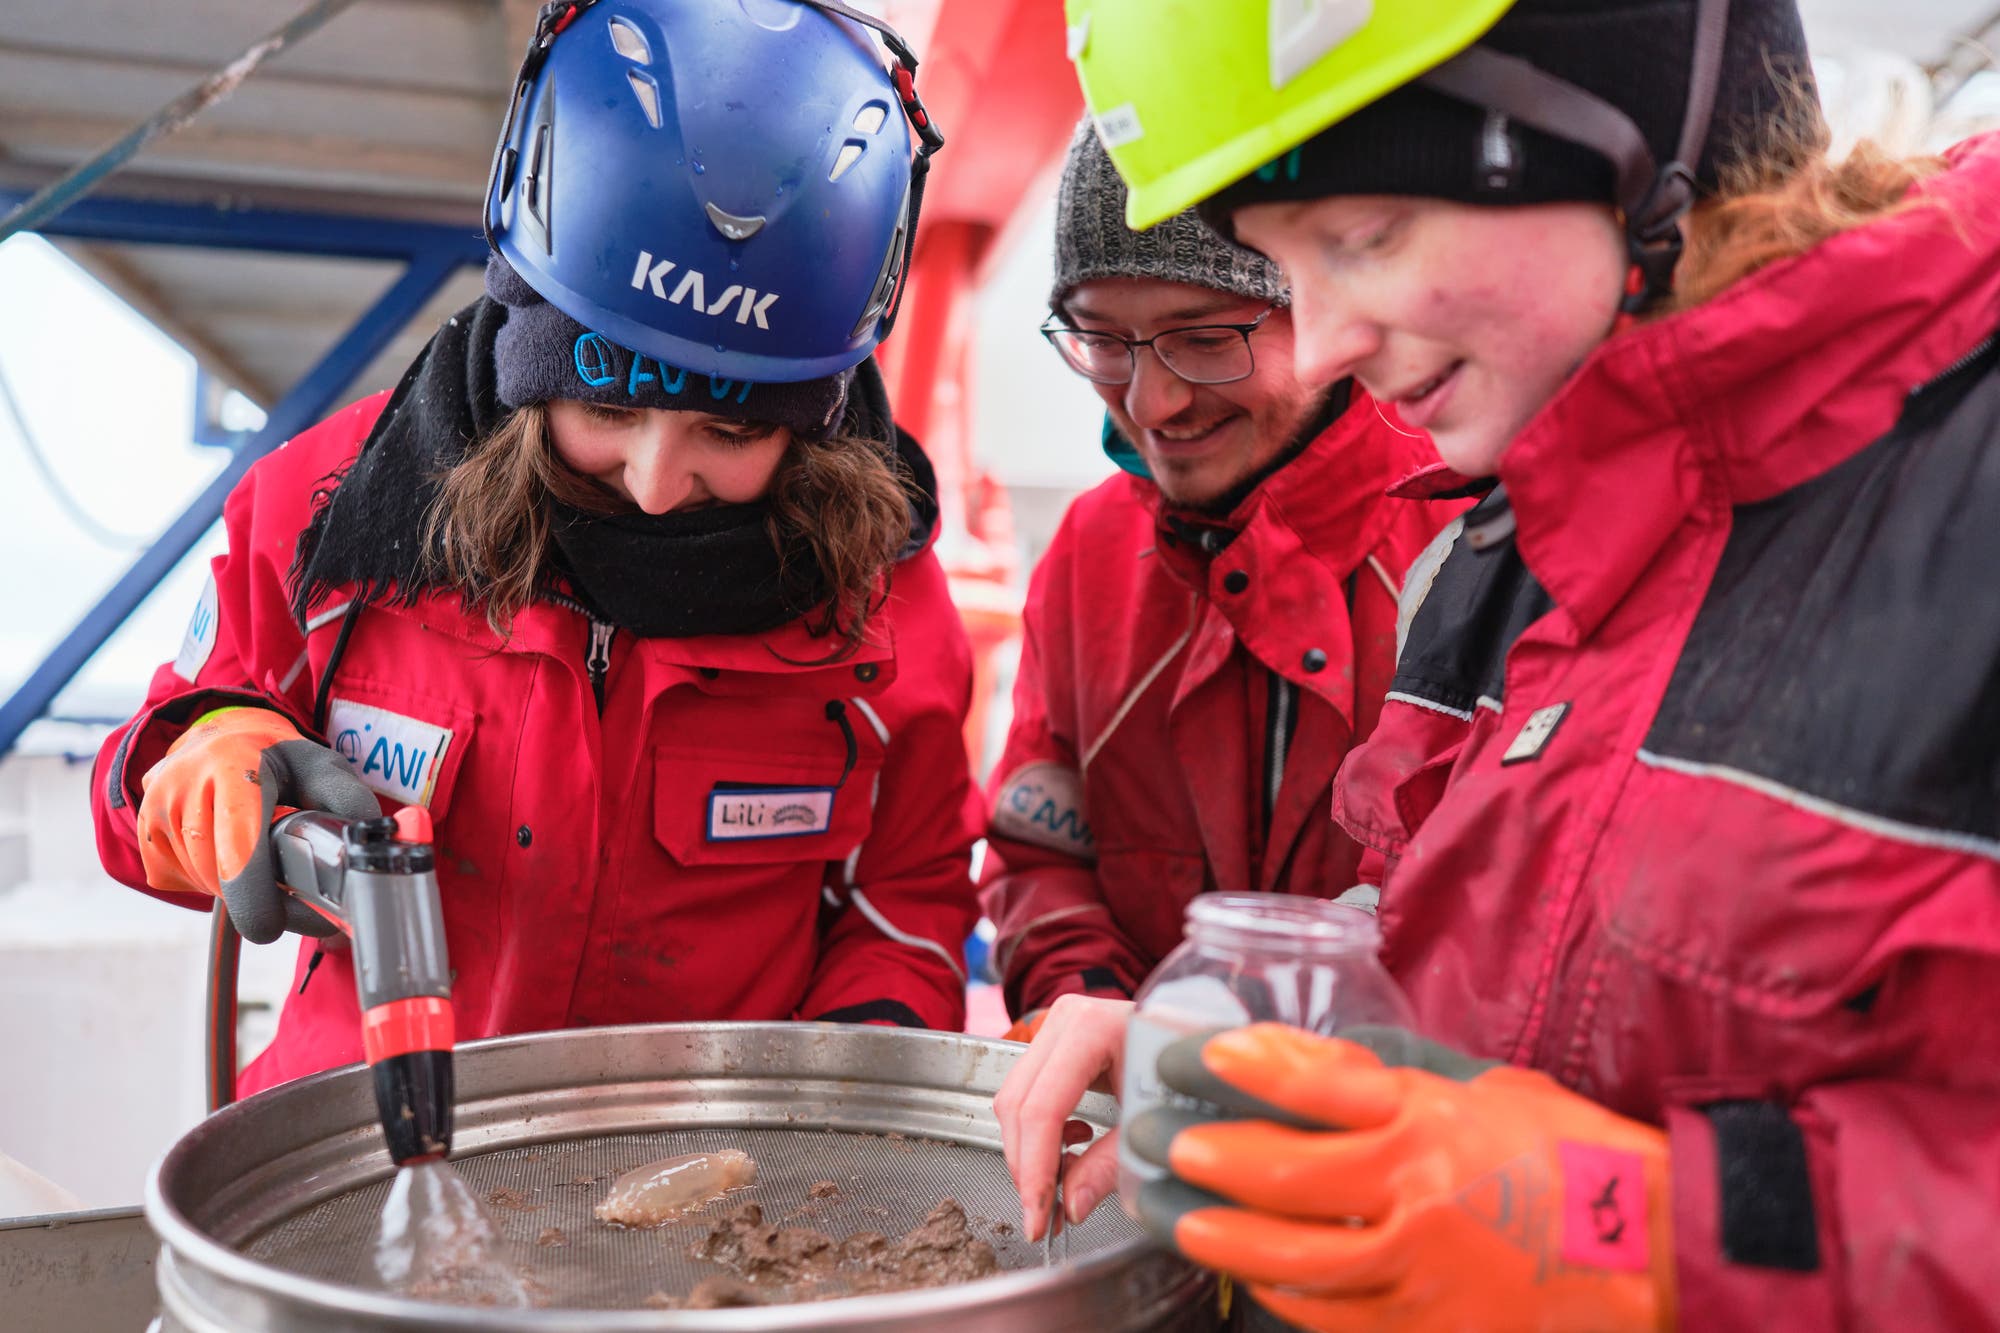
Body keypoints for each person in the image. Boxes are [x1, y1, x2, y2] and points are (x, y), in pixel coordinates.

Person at [998, 0, 2000, 1328]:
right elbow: (1471, 968)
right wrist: (1255, 1042)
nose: (1325, 343)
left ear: (1631, 142)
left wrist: (1642, 1229)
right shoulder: (1502, 545)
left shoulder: (1965, 503)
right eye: (1279, 265)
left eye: (1364, 237)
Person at [90, 0, 981, 1096]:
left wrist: (845, 1099)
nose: (657, 485)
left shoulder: (878, 603)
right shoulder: (323, 513)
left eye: (735, 431)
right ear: (526, 355)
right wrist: (201, 750)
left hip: (701, 1202)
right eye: (604, 408)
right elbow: (142, 790)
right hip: (365, 1167)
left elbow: (910, 900)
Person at [979, 123, 1460, 1039]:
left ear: (1318, 306)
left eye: (1202, 339)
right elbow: (1041, 854)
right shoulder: (1088, 554)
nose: (1151, 402)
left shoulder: (1468, 543)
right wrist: (1084, 1009)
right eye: (1103, 340)